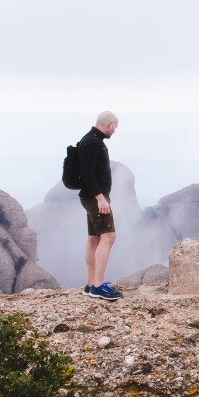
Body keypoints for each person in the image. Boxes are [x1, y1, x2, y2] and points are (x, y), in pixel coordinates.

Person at [78, 111, 122, 301]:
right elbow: (87, 174)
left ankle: (91, 284)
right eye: (115, 127)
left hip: (92, 197)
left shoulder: (91, 140)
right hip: (95, 198)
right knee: (108, 236)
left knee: (94, 238)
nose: (115, 131)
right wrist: (100, 198)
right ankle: (98, 286)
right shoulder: (92, 143)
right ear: (109, 124)